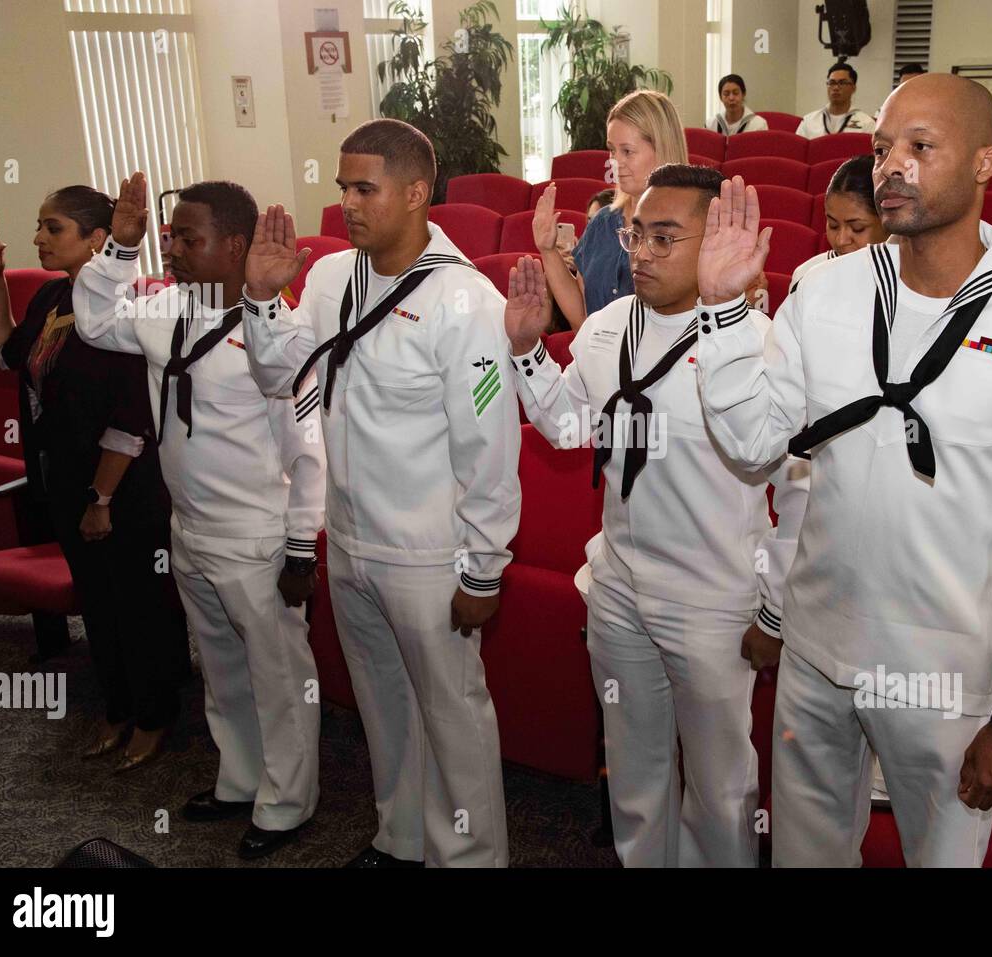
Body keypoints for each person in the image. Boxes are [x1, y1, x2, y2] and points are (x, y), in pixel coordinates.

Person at [693, 73, 992, 867]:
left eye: (922, 147)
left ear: (986, 163)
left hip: (943, 674)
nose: (893, 166)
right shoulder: (824, 292)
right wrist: (720, 314)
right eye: (883, 147)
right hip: (817, 652)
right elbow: (752, 445)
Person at [504, 164, 808, 867]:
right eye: (636, 233)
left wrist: (774, 610)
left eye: (665, 237)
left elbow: (797, 490)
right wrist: (525, 353)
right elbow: (569, 425)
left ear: (716, 241)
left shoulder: (760, 342)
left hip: (713, 594)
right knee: (635, 766)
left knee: (718, 780)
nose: (640, 251)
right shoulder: (609, 324)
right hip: (618, 582)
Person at [239, 118, 520, 869]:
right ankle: (399, 838)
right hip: (352, 538)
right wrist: (264, 303)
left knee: (454, 718)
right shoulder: (332, 277)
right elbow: (276, 376)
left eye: (364, 188)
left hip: (431, 551)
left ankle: (468, 857)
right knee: (384, 706)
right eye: (343, 187)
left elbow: (489, 448)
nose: (348, 203)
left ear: (416, 192)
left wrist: (483, 567)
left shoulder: (468, 302)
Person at [72, 175, 326, 860]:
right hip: (189, 527)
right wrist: (119, 251)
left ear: (236, 244)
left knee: (277, 675)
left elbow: (308, 449)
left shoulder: (280, 330)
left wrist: (302, 546)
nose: (173, 246)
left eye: (190, 236)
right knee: (221, 667)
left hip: (257, 536)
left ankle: (288, 801)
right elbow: (95, 321)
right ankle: (242, 777)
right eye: (171, 234)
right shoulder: (165, 311)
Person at [0, 189, 189, 772]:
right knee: (98, 603)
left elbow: (130, 418)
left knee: (137, 602)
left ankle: (155, 714)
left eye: (54, 227)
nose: (39, 238)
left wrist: (100, 498)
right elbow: (3, 355)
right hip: (68, 479)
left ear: (98, 240)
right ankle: (118, 707)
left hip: (120, 484)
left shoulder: (129, 307)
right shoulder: (51, 295)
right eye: (39, 226)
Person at [534, 90, 689, 330]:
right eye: (612, 150)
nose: (614, 163)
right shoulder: (603, 222)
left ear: (662, 149)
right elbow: (582, 318)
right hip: (599, 363)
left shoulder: (689, 228)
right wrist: (547, 250)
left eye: (627, 151)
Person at [791, 154, 888, 287]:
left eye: (857, 228)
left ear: (888, 223)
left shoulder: (914, 280)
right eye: (833, 225)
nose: (840, 240)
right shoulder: (807, 274)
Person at [796, 60, 876, 138]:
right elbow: (798, 149)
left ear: (853, 88)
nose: (836, 88)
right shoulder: (809, 121)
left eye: (842, 83)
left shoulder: (867, 124)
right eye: (832, 83)